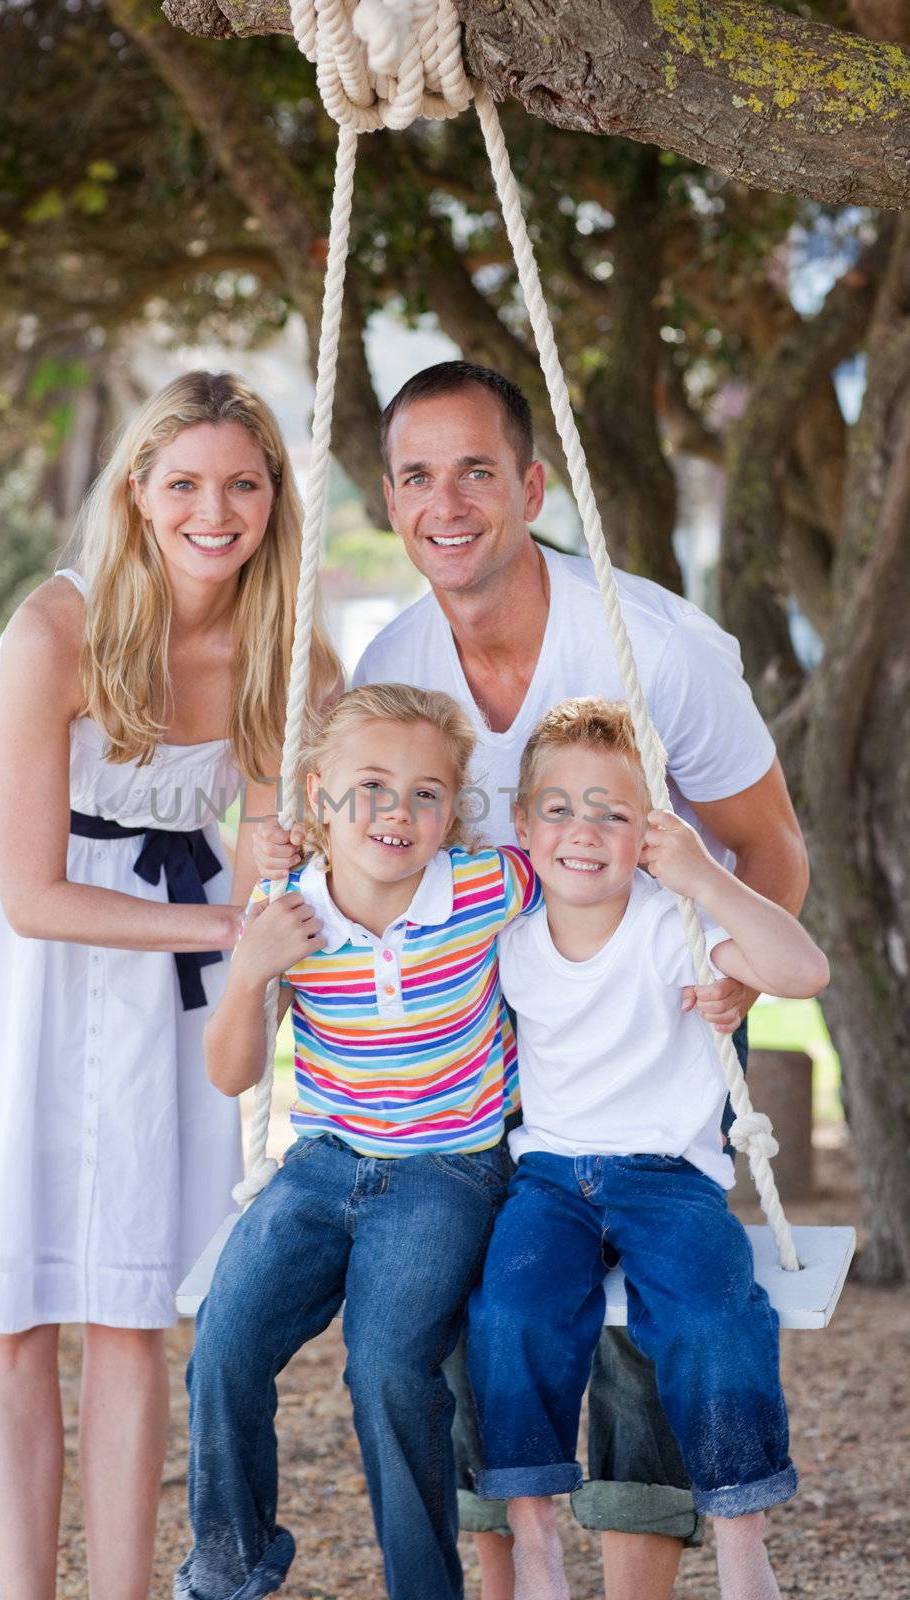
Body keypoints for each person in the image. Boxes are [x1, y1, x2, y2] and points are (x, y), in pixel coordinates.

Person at [260, 360, 811, 1600]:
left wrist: (735, 991)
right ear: (388, 499)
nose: (443, 502)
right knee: (485, 1315)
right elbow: (377, 854)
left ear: (529, 484)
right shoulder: (394, 660)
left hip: (648, 1038)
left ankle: (647, 1577)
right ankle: (517, 1570)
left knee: (647, 1340)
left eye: (473, 470)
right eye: (414, 475)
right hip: (480, 1067)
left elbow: (770, 847)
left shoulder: (652, 647)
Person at [0, 371, 338, 1600]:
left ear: (273, 498)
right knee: (19, 1297)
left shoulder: (286, 647)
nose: (215, 508)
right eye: (183, 482)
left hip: (170, 971)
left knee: (135, 1297)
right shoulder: (57, 632)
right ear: (137, 494)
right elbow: (33, 894)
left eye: (242, 483)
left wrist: (275, 852)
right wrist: (229, 925)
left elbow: (285, 822)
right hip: (16, 956)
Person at [176, 684, 542, 1600]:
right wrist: (251, 967)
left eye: (427, 793)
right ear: (317, 797)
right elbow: (231, 1075)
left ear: (453, 811)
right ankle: (229, 1568)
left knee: (386, 1367)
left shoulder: (484, 887)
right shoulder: (285, 909)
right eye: (369, 785)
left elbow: (591, 872)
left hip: (448, 1172)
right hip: (321, 1165)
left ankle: (423, 1588)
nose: (398, 811)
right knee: (223, 1343)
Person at [467, 697, 829, 1600]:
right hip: (547, 1178)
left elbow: (802, 973)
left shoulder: (675, 922)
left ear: (649, 834)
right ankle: (535, 1528)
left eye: (613, 813)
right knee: (509, 1313)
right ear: (522, 823)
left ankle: (739, 1530)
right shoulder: (505, 932)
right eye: (557, 808)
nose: (581, 831)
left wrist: (705, 880)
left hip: (668, 1179)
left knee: (713, 1315)